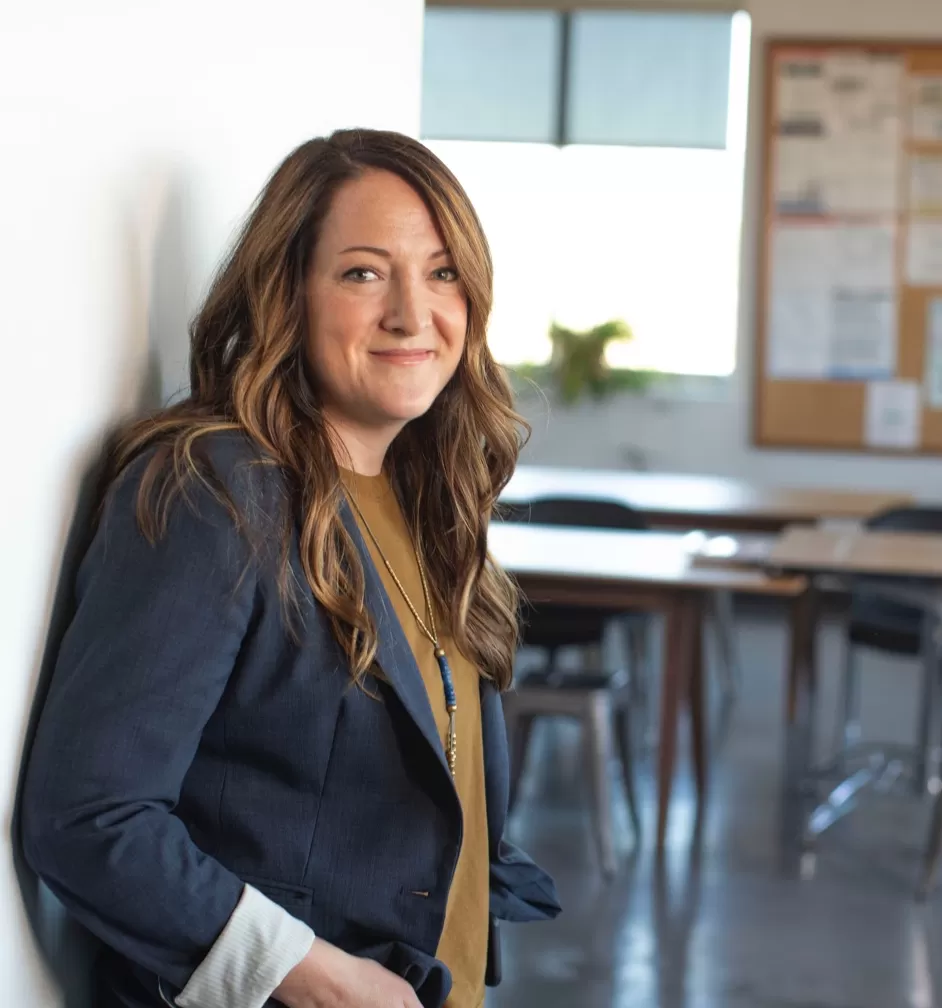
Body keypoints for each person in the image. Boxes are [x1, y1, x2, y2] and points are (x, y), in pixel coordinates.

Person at [20, 129, 559, 1008]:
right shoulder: (218, 490)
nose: (413, 315)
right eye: (363, 273)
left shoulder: (431, 496)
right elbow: (87, 816)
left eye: (443, 271)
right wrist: (320, 979)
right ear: (289, 294)